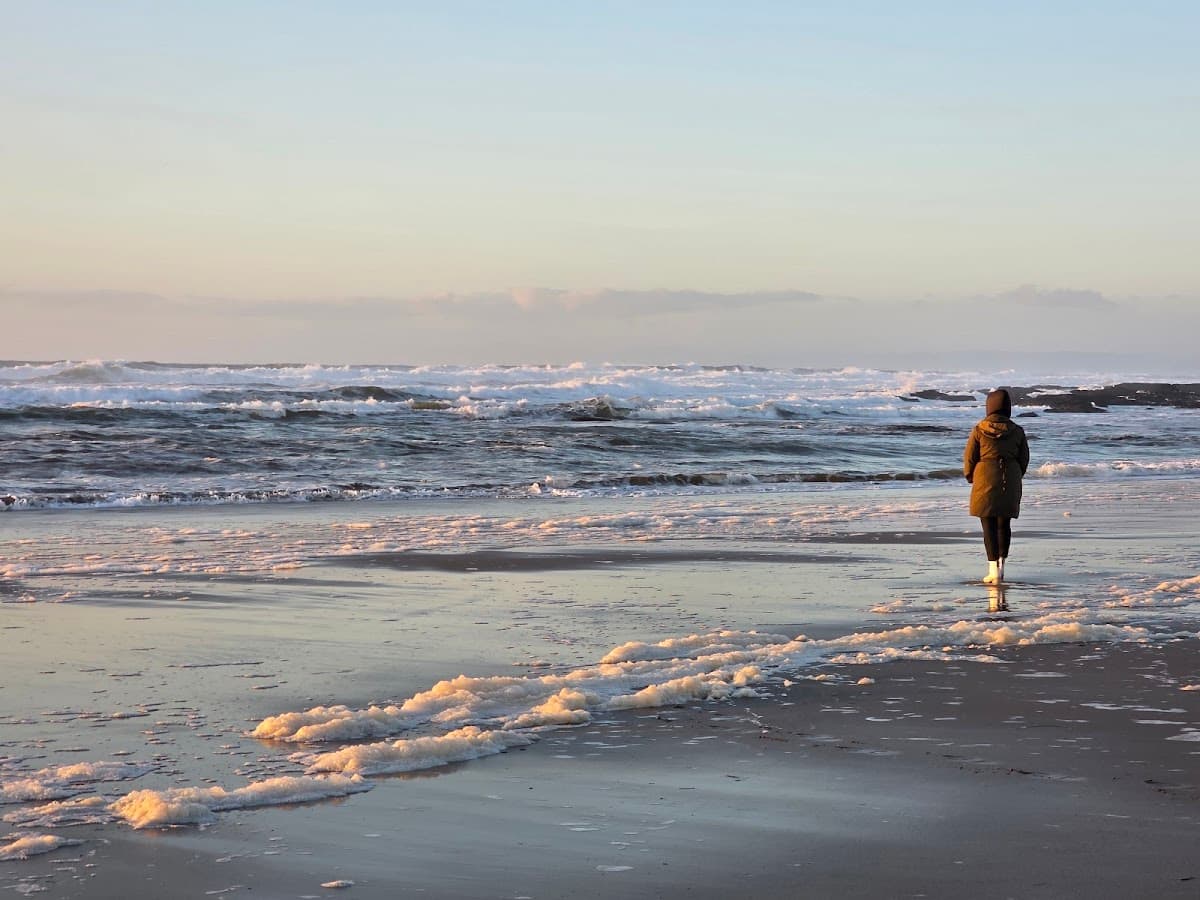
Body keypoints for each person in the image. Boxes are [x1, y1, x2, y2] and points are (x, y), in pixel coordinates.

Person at [963, 388, 1029, 584]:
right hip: (1010, 478)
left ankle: (992, 570)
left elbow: (970, 457)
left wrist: (970, 476)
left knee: (988, 525)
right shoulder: (1017, 431)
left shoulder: (979, 429)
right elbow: (1024, 458)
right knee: (1004, 524)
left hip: (984, 477)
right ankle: (1001, 566)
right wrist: (1016, 475)